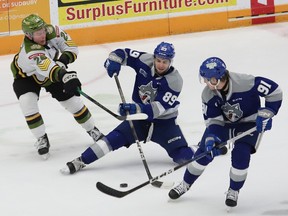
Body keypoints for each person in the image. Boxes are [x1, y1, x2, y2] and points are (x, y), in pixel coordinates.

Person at [60, 42, 198, 174]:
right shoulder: (145, 60)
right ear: (154, 57)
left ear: (171, 62)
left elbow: (159, 108)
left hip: (164, 124)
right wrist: (114, 61)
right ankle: (81, 161)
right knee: (111, 140)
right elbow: (123, 53)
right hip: (138, 121)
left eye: (165, 62)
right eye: (159, 60)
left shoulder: (175, 80)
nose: (161, 65)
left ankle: (201, 148)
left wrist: (135, 109)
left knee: (183, 156)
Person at [168, 57, 282, 208]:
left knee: (241, 153)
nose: (209, 84)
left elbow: (275, 92)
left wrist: (268, 112)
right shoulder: (207, 94)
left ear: (223, 76)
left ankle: (233, 190)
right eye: (206, 80)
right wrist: (211, 139)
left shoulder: (245, 82)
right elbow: (213, 121)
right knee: (203, 154)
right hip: (224, 125)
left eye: (213, 80)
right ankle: (185, 183)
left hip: (249, 124)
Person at [10, 14, 103, 159]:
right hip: (27, 77)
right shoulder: (30, 51)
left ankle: (92, 129)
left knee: (72, 102)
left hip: (52, 72)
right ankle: (41, 138)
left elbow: (71, 48)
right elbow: (47, 68)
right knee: (27, 102)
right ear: (28, 35)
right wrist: (65, 75)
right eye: (38, 33)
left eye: (42, 30)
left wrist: (62, 62)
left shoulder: (52, 31)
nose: (43, 35)